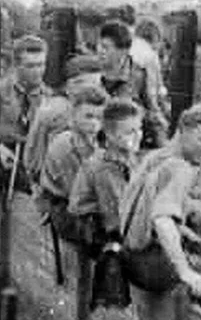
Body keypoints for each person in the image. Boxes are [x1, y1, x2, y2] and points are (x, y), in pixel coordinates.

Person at [118, 102, 201, 320]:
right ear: (182, 131)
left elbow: (140, 208)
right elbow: (162, 219)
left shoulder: (154, 157)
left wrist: (182, 230)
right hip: (150, 265)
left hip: (127, 256)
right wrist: (185, 271)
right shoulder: (180, 168)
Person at [70, 100, 144, 251]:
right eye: (130, 132)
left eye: (139, 129)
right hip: (97, 232)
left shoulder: (127, 155)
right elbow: (116, 219)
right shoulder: (105, 167)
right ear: (110, 135)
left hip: (114, 222)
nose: (138, 136)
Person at [37, 86, 107, 240]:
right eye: (88, 116)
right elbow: (77, 197)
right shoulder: (64, 146)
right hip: (66, 211)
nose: (95, 123)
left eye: (100, 118)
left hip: (93, 204)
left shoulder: (101, 140)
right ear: (73, 116)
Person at [23, 54, 104, 184]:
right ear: (71, 85)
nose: (98, 91)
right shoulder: (63, 112)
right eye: (92, 86)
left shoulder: (54, 102)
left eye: (99, 85)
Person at [98, 20, 168, 149]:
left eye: (106, 47)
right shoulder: (93, 71)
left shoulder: (138, 74)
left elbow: (151, 105)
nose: (100, 51)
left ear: (123, 51)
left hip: (126, 132)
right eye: (101, 46)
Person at [0, 35, 51, 150]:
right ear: (16, 65)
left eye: (41, 65)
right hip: (0, 152)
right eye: (30, 66)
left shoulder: (48, 95)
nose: (37, 71)